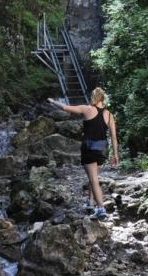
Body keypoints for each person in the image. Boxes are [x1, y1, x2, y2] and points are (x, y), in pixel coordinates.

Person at [48, 88, 119, 219]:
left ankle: (101, 209)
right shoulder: (109, 114)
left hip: (89, 148)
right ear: (103, 98)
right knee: (94, 176)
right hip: (102, 148)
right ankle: (90, 202)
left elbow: (65, 107)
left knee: (93, 179)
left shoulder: (87, 109)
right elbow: (114, 137)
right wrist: (116, 155)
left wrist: (53, 101)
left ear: (94, 97)